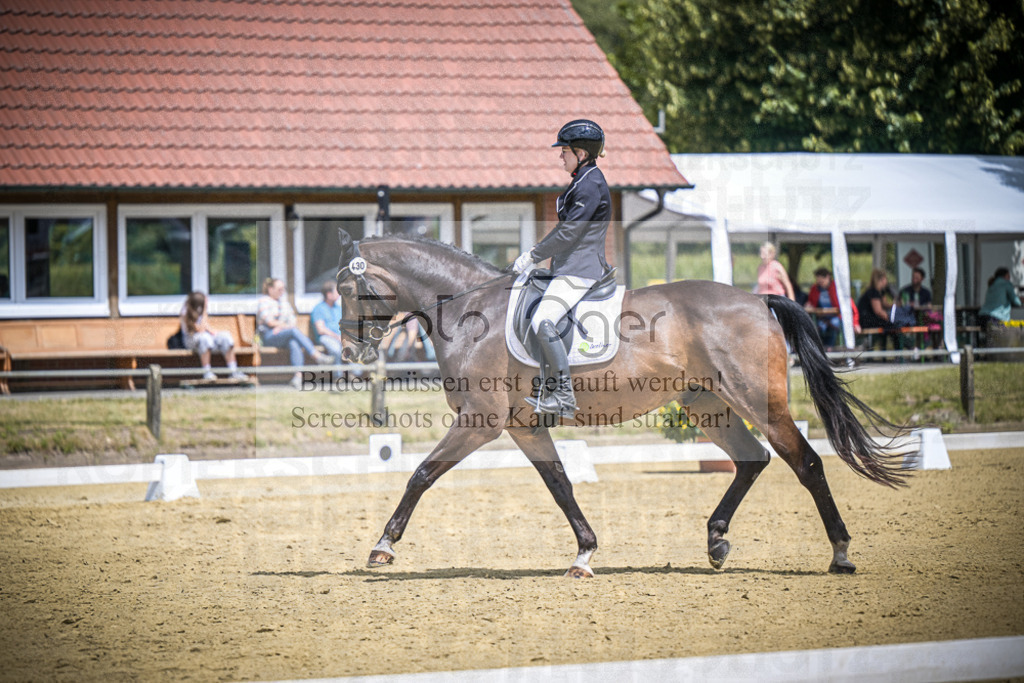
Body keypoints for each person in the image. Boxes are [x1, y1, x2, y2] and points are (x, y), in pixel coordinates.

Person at [511, 119, 611, 417]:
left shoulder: (591, 184)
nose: (560, 156)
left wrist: (533, 254)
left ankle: (563, 394)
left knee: (543, 319)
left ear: (581, 153)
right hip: (567, 267)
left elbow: (569, 232)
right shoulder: (582, 181)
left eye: (564, 151)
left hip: (581, 269)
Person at [256, 278, 332, 388]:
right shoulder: (263, 302)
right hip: (268, 336)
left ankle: (297, 377)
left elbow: (292, 320)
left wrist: (281, 327)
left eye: (283, 289)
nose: (282, 292)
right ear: (270, 289)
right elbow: (270, 322)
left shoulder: (284, 302)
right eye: (279, 289)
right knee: (292, 331)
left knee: (293, 342)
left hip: (283, 335)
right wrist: (283, 326)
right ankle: (316, 355)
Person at [179, 291, 249, 381]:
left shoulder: (199, 308)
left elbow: (207, 327)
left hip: (204, 336)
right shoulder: (186, 312)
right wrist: (204, 312)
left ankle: (234, 371)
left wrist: (215, 333)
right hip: (190, 339)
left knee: (225, 336)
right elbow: (200, 329)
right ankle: (207, 372)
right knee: (205, 338)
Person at [805, 268, 861, 350]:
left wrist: (855, 322)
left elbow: (851, 306)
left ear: (828, 277)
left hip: (836, 317)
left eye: (822, 282)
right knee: (818, 327)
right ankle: (820, 349)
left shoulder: (837, 288)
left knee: (834, 324)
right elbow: (811, 302)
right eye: (818, 282)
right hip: (821, 317)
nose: (820, 284)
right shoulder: (815, 289)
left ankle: (830, 349)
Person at [857, 268, 898, 352]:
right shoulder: (873, 292)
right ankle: (901, 349)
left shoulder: (879, 291)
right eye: (885, 279)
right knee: (893, 326)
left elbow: (884, 304)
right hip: (866, 320)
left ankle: (894, 350)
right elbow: (878, 311)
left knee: (891, 326)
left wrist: (895, 305)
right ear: (882, 279)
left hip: (870, 319)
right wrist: (890, 318)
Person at [978, 267, 1022, 345]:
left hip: (982, 317)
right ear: (1006, 276)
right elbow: (1017, 302)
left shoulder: (992, 285)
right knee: (1009, 335)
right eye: (1009, 276)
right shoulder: (1006, 284)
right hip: (995, 318)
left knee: (992, 338)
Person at [310, 280, 343, 363]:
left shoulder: (338, 308)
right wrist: (337, 337)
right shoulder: (319, 309)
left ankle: (355, 374)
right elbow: (321, 330)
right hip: (326, 337)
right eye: (337, 291)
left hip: (340, 336)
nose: (339, 294)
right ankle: (337, 375)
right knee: (336, 349)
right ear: (329, 294)